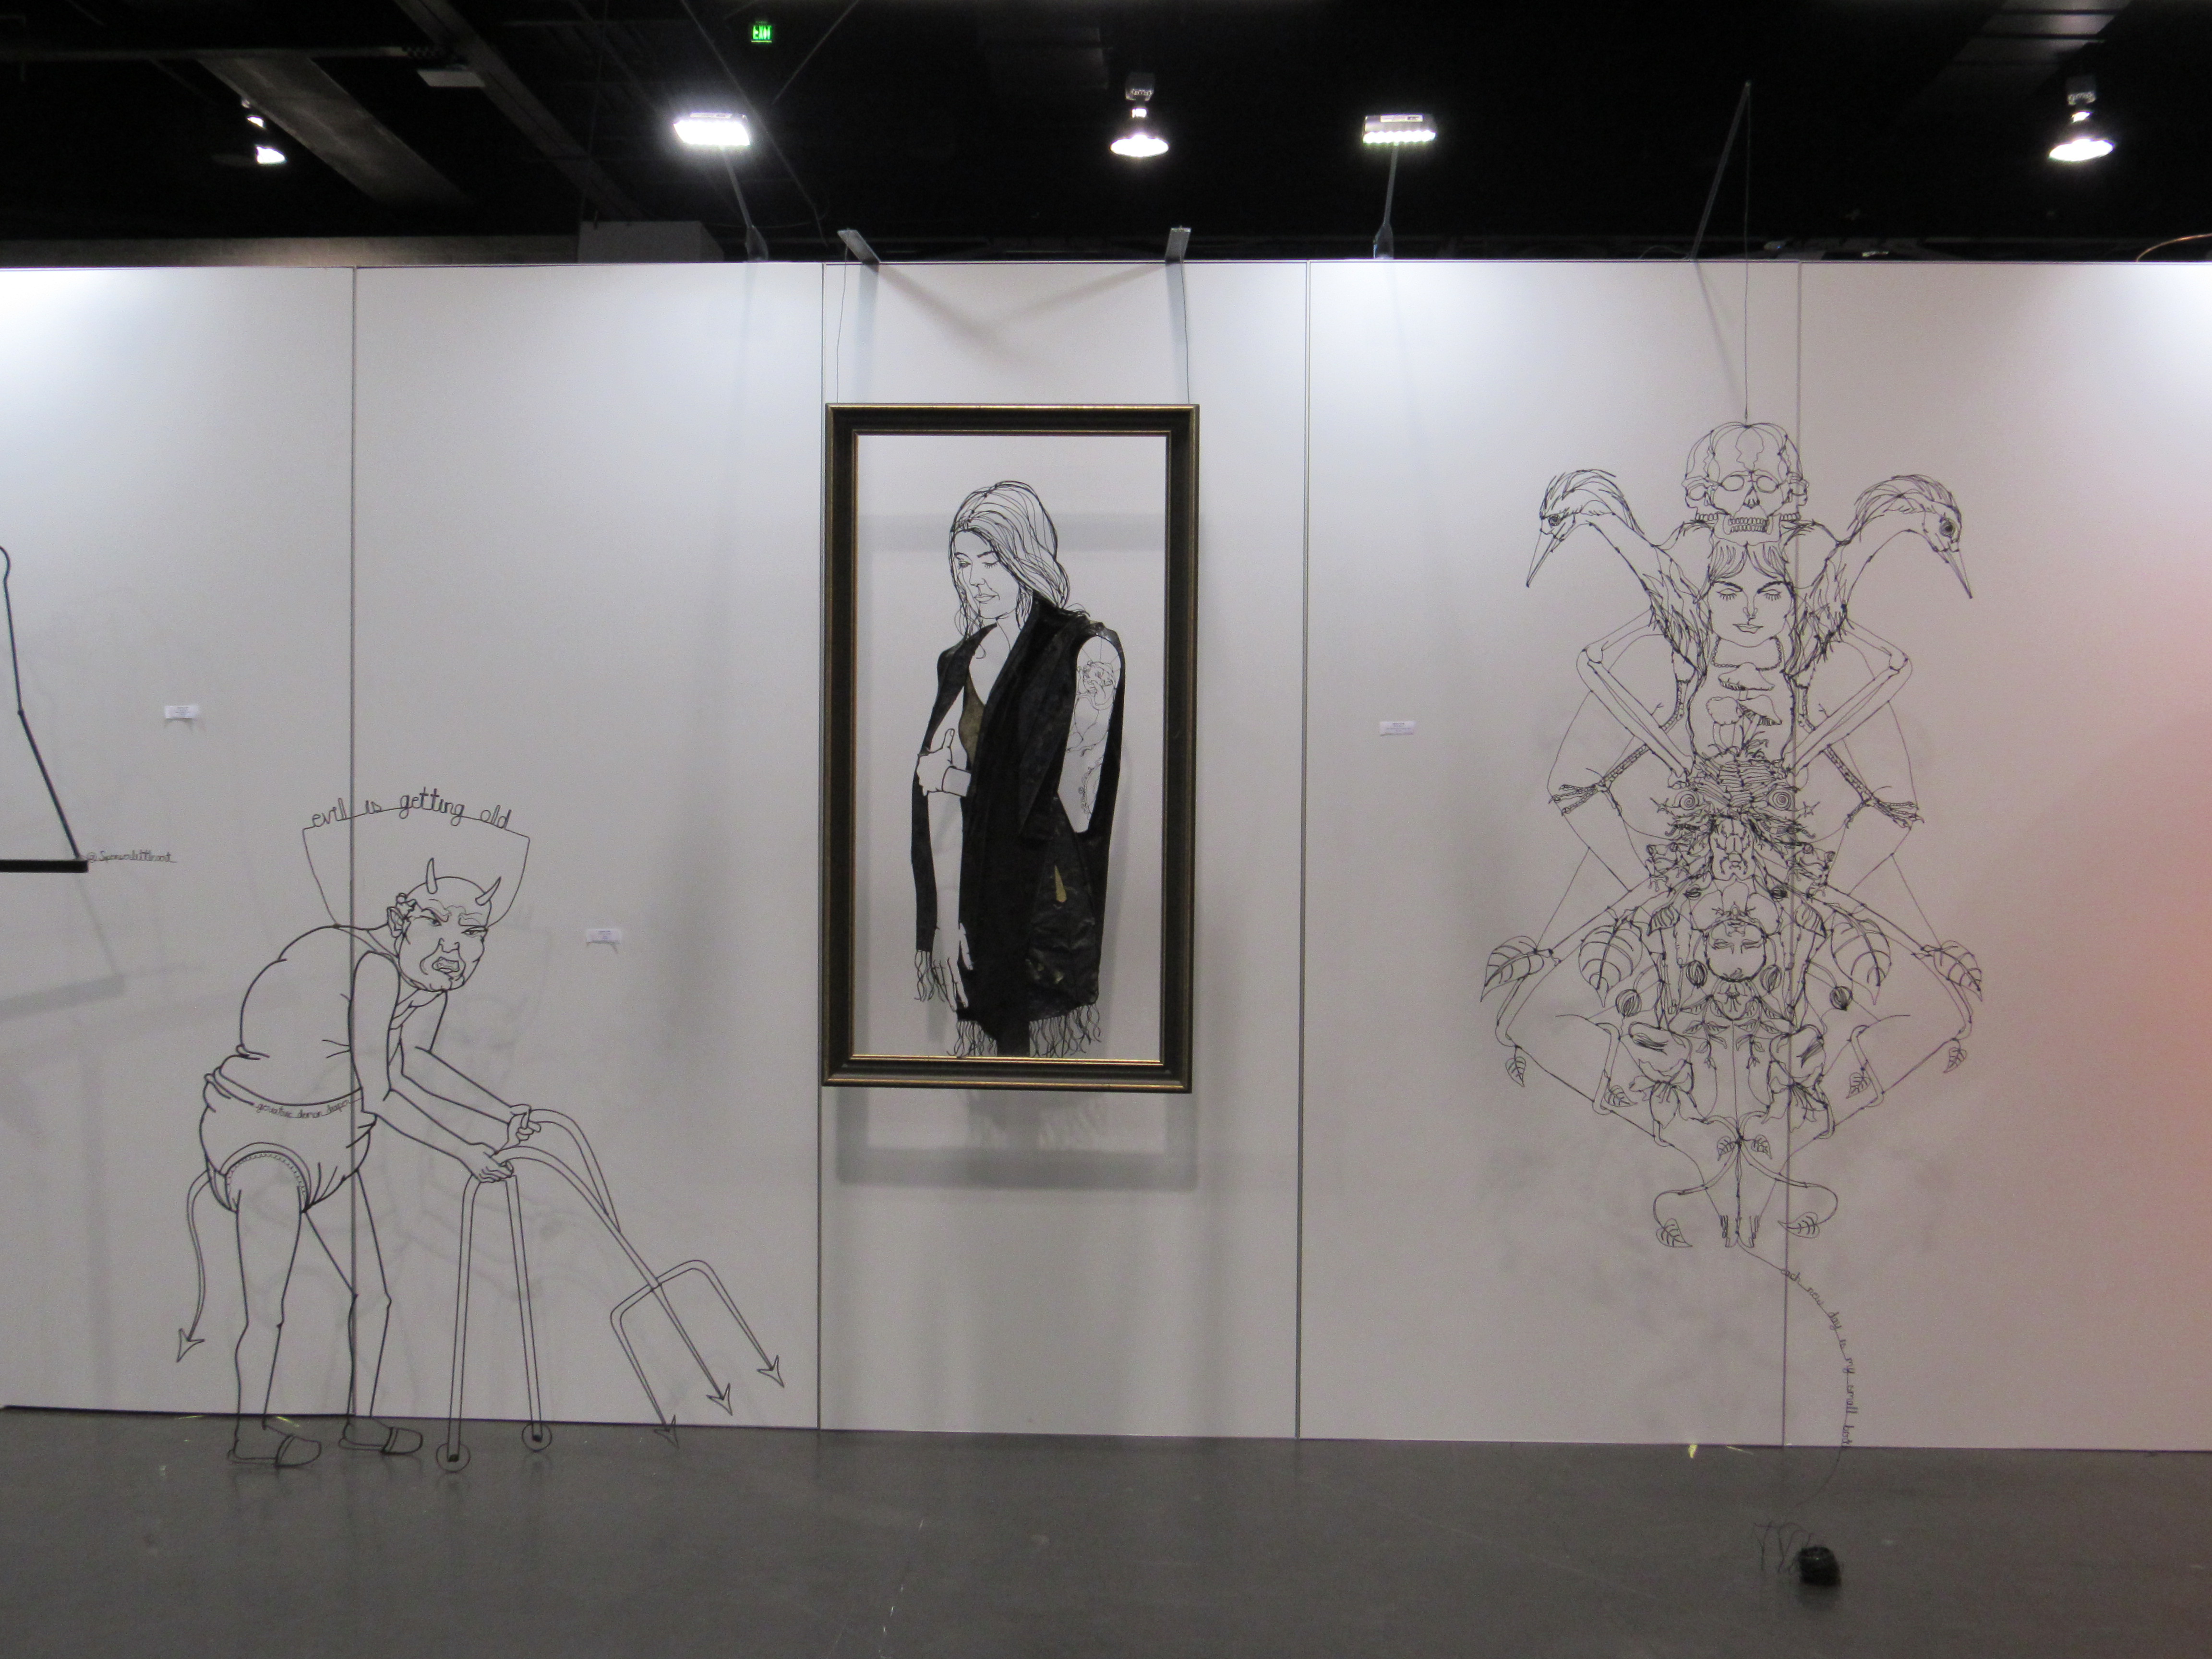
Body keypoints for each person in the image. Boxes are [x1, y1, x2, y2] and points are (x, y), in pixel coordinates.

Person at [1489, 423, 1980, 1247]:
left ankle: (1777, 1158)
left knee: (1929, 1011)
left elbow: (1892, 805)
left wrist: (1819, 886)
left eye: (1772, 590)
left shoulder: (1825, 671)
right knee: (1539, 1018)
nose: (1749, 605)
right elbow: (1576, 784)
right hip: (1683, 905)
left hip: (1790, 908)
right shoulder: (1667, 661)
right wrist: (1652, 883)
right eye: (1726, 590)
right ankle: (1700, 1157)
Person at [195, 844, 534, 1467]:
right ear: (405, 920)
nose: (455, 948)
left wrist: (500, 1113)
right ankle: (248, 1432)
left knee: (373, 1293)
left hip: (335, 1142)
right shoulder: (372, 965)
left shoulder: (422, 982)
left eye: (473, 933)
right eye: (439, 925)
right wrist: (464, 1151)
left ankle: (361, 1419)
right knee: (267, 1304)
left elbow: (413, 1062)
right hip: (265, 1139)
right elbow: (380, 1090)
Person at [911, 481, 1125, 1058]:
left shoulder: (1087, 652)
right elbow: (935, 801)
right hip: (974, 907)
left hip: (1045, 910)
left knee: (1042, 1064)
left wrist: (959, 780)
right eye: (963, 564)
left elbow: (1074, 807)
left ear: (1026, 557)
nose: (975, 580)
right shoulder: (958, 663)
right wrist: (944, 918)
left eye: (991, 561)